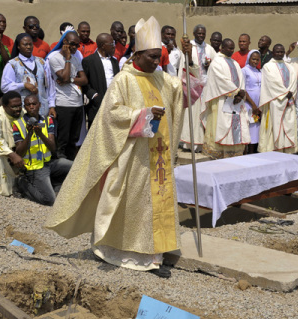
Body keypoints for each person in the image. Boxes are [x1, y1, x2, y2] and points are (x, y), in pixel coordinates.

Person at [46, 16, 190, 279]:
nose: (157, 62)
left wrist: (190, 68)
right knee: (135, 204)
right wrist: (143, 114)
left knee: (157, 202)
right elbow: (111, 114)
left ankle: (156, 252)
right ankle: (133, 253)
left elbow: (183, 92)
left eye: (159, 57)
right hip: (133, 157)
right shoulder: (124, 80)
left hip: (158, 155)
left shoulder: (160, 78)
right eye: (152, 57)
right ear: (137, 53)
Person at [13, 95, 73, 205]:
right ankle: (23, 184)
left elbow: (53, 148)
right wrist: (29, 134)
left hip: (49, 163)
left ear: (39, 105)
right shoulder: (18, 124)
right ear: (24, 107)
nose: (31, 107)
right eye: (28, 105)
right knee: (50, 200)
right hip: (35, 168)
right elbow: (19, 153)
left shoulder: (47, 120)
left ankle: (54, 183)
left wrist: (40, 134)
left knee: (76, 166)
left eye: (34, 104)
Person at [201, 38, 250, 159]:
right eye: (228, 48)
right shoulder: (216, 62)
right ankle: (219, 152)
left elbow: (241, 78)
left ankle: (234, 150)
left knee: (235, 124)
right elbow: (220, 80)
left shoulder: (234, 63)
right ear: (222, 47)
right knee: (222, 125)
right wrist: (237, 91)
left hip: (236, 101)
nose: (231, 50)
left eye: (233, 48)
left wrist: (241, 92)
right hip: (222, 100)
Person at [48, 31, 88, 160]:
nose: (75, 48)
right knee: (63, 139)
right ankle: (60, 168)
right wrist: (67, 58)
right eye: (72, 44)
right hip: (64, 103)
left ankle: (70, 168)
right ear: (64, 42)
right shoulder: (55, 58)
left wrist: (70, 80)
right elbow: (64, 76)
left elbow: (84, 80)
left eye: (77, 45)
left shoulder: (76, 58)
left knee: (74, 139)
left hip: (77, 103)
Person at [178, 24, 216, 151]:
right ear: (194, 34)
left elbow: (216, 66)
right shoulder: (189, 47)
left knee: (204, 113)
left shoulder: (209, 49)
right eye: (199, 33)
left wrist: (210, 65)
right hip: (192, 85)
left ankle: (201, 143)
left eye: (203, 33)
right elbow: (184, 64)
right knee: (192, 113)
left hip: (206, 85)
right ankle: (189, 143)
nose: (201, 35)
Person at [1, 33, 55, 117]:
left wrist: (52, 106)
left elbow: (50, 86)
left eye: (30, 44)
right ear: (18, 46)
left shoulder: (42, 62)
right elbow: (5, 87)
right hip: (22, 111)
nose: (29, 47)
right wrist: (23, 85)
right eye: (25, 44)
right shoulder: (12, 64)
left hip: (43, 109)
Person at [258, 44, 297, 154]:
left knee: (288, 124)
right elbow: (271, 83)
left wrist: (291, 92)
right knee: (275, 124)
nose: (280, 54)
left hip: (288, 100)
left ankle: (287, 148)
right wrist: (285, 93)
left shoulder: (290, 66)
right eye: (277, 52)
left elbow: (294, 80)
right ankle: (273, 148)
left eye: (282, 52)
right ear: (273, 53)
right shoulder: (267, 66)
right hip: (275, 101)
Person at [82, 33, 119, 128]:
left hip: (113, 102)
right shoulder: (89, 61)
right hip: (96, 104)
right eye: (111, 44)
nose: (113, 46)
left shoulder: (114, 61)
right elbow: (84, 82)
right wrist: (93, 95)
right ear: (103, 45)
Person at [241, 50, 262, 154]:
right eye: (253, 59)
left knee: (255, 128)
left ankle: (253, 152)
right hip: (248, 103)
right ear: (249, 58)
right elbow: (243, 89)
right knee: (248, 126)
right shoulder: (244, 70)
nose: (255, 61)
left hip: (258, 104)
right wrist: (253, 104)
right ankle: (245, 152)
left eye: (257, 59)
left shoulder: (259, 71)